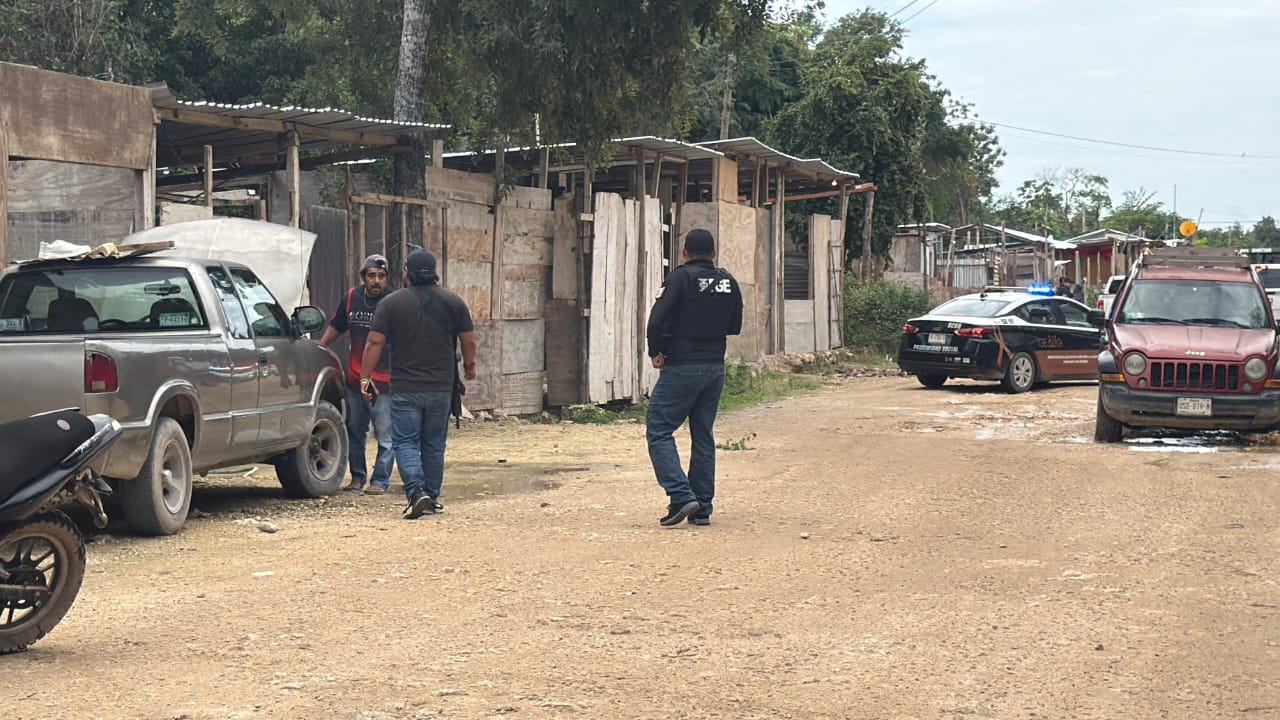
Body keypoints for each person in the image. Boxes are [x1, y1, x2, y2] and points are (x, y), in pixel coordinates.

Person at [361, 249, 476, 520]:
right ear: (434, 272)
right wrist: (469, 366)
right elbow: (468, 340)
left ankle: (416, 492)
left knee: (405, 441)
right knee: (434, 443)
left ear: (407, 272)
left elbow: (374, 342)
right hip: (441, 387)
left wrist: (365, 377)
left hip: (406, 387)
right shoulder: (453, 301)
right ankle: (431, 497)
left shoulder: (391, 303)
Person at [644, 228, 743, 527]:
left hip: (682, 365)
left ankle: (681, 495)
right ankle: (702, 507)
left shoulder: (679, 278)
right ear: (713, 253)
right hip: (714, 367)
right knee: (702, 434)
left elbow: (657, 320)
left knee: (659, 429)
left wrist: (656, 350)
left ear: (684, 252)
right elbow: (734, 325)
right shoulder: (728, 281)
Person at [317, 254, 395, 494]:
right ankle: (357, 478)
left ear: (386, 278)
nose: (376, 281)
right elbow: (338, 325)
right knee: (354, 431)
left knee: (385, 435)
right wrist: (320, 346)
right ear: (363, 277)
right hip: (354, 379)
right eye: (371, 275)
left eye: (381, 276)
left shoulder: (393, 302)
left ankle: (380, 480)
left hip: (383, 382)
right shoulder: (351, 298)